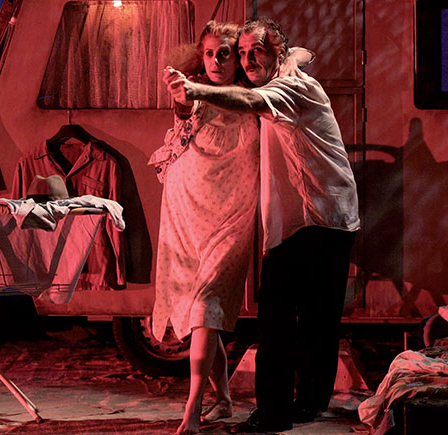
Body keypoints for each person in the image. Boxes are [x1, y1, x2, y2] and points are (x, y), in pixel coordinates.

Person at [165, 19, 360, 433]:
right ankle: (294, 406)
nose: (248, 59)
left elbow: (250, 100)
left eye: (257, 50)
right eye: (243, 52)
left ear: (278, 55)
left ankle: (285, 411)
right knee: (290, 319)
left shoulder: (294, 88)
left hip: (323, 218)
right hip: (296, 221)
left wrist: (195, 89)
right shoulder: (274, 82)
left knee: (303, 320)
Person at [148, 21, 260, 435]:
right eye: (209, 53)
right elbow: (184, 109)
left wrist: (191, 93)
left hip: (231, 218)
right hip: (188, 215)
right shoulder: (193, 96)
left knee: (206, 304)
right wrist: (182, 97)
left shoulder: (250, 97)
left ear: (238, 58)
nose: (215, 61)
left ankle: (192, 408)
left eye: (224, 53)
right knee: (202, 315)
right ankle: (224, 400)